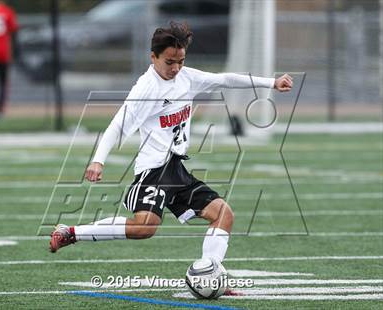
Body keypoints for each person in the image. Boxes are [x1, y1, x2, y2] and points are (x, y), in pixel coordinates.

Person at [50, 22, 292, 267]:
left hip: (177, 170)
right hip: (153, 171)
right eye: (169, 62)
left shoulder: (187, 78)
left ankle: (210, 272)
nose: (176, 68)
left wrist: (271, 83)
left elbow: (224, 79)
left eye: (181, 61)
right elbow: (117, 126)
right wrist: (98, 160)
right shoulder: (147, 88)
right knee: (145, 228)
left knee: (223, 214)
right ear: (153, 57)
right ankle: (71, 232)